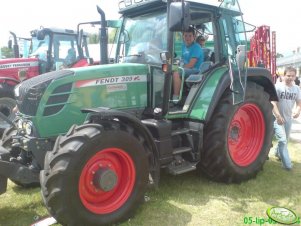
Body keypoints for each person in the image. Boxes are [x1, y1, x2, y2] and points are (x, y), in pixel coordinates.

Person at [271, 66, 301, 170]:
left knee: (285, 141)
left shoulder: (296, 89)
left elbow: (299, 103)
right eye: (288, 75)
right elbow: (273, 103)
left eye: (293, 76)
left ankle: (277, 153)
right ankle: (287, 165)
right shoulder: (277, 87)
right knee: (283, 141)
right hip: (277, 118)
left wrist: (297, 111)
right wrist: (278, 116)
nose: (290, 78)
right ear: (283, 75)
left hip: (288, 119)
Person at [172, 27, 204, 101]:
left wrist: (177, 68)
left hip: (195, 70)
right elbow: (180, 59)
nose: (187, 38)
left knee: (176, 73)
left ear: (194, 37)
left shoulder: (196, 47)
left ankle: (176, 98)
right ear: (183, 36)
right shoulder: (183, 46)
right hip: (185, 68)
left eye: (190, 36)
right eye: (186, 35)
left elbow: (191, 65)